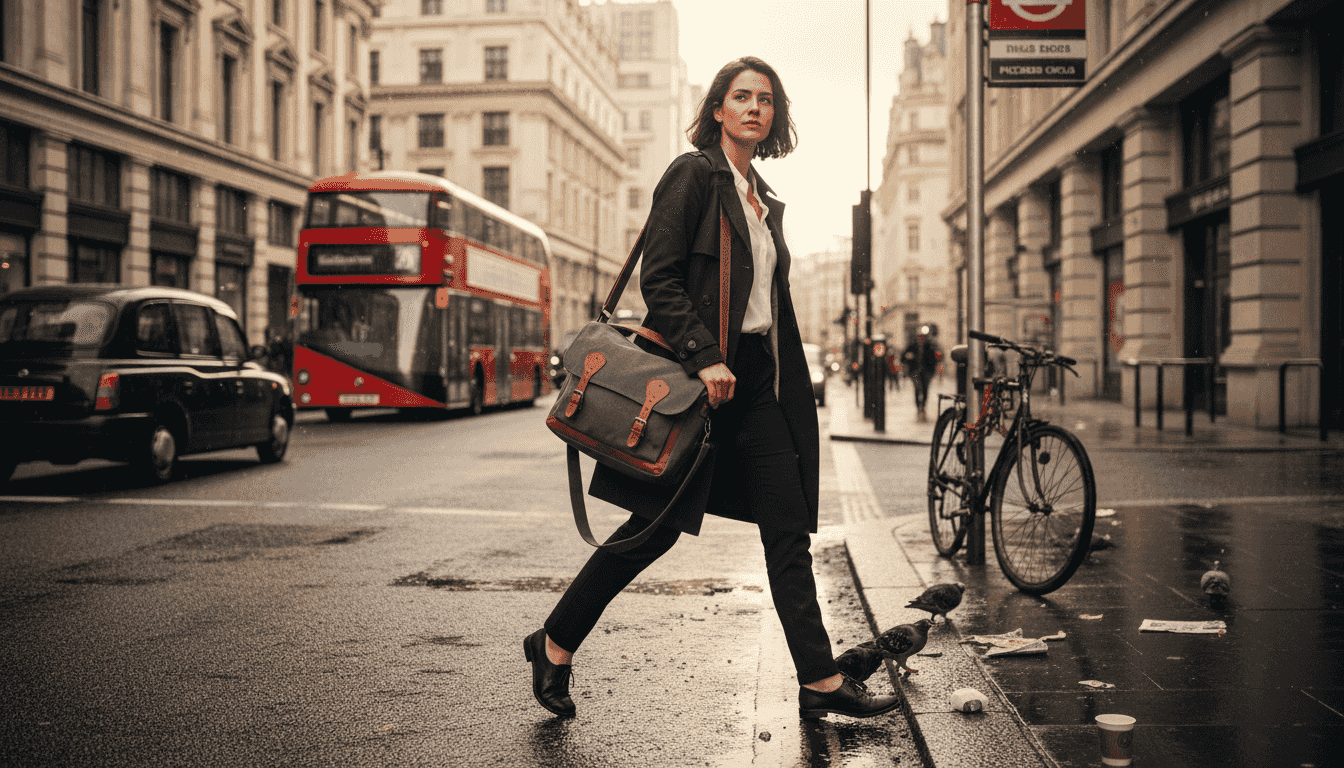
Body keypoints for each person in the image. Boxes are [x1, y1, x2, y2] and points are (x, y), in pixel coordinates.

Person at [525, 57, 901, 721]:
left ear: (774, 117)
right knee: (653, 530)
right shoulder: (693, 174)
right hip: (701, 381)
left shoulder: (761, 198)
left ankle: (819, 680)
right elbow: (658, 279)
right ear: (719, 109)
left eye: (766, 100)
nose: (755, 107)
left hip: (756, 386)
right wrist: (703, 356)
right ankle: (554, 643)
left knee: (788, 531)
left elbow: (766, 307)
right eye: (742, 96)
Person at [902, 327, 939, 422]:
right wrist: (908, 357)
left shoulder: (930, 345)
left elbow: (937, 357)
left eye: (923, 336)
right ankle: (919, 407)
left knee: (925, 389)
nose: (921, 338)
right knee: (917, 389)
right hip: (915, 371)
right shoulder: (912, 345)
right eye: (920, 336)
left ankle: (923, 407)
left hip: (927, 371)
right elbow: (903, 356)